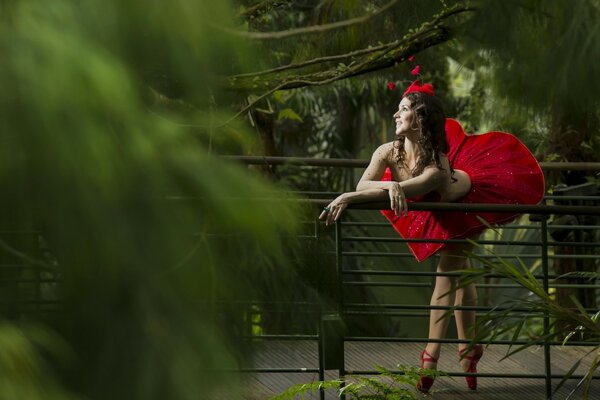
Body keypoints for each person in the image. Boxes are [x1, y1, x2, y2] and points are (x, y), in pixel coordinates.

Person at [319, 80, 545, 392]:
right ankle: (470, 350)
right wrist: (379, 188)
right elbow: (362, 187)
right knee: (461, 272)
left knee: (448, 270)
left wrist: (382, 189)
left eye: (403, 110)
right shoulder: (387, 151)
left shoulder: (438, 165)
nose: (395, 115)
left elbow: (415, 189)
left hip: (464, 203)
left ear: (421, 119)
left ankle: (430, 358)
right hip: (439, 208)